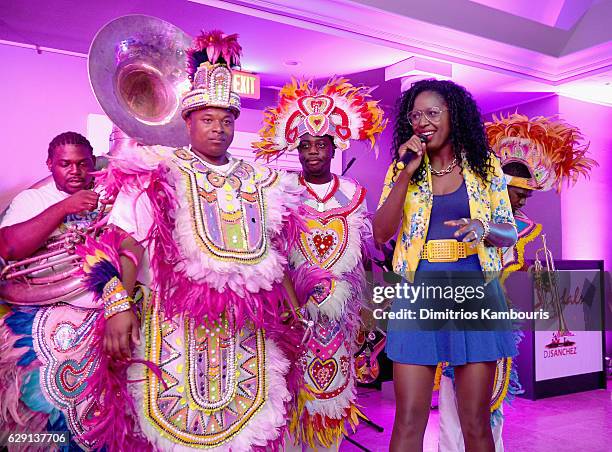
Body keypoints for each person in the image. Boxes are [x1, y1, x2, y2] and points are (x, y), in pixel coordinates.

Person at [79, 30, 304, 450]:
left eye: (227, 120)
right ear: (188, 122)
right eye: (207, 120)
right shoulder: (157, 173)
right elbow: (127, 241)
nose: (218, 129)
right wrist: (118, 305)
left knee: (244, 427)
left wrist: (289, 302)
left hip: (244, 333)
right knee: (166, 428)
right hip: (173, 325)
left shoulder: (262, 180)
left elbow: (274, 251)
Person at [437, 113, 597, 452]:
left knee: (492, 405)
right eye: (517, 192)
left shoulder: (522, 228)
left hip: (498, 324)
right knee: (454, 404)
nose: (523, 200)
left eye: (527, 194)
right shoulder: (465, 215)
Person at [372, 79, 518, 452]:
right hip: (419, 293)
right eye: (415, 114)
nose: (423, 121)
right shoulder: (402, 169)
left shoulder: (485, 169)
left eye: (433, 112)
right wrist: (406, 172)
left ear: (454, 116)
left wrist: (482, 228)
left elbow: (508, 232)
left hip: (474, 291)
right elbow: (381, 233)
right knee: (407, 421)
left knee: (475, 422)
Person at [255, 77, 386, 450]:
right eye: (306, 145)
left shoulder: (354, 194)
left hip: (340, 315)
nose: (313, 152)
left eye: (321, 145)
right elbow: (275, 256)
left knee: (331, 399)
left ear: (334, 148)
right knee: (290, 398)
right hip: (293, 312)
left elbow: (362, 258)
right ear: (297, 150)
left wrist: (366, 313)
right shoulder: (283, 190)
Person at [0, 132, 103, 449]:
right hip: (42, 319)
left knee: (98, 417)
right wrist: (64, 208)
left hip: (98, 317)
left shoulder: (108, 200)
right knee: (38, 420)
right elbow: (10, 246)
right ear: (50, 165)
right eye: (65, 164)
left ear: (93, 163)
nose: (75, 172)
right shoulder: (34, 200)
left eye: (83, 164)